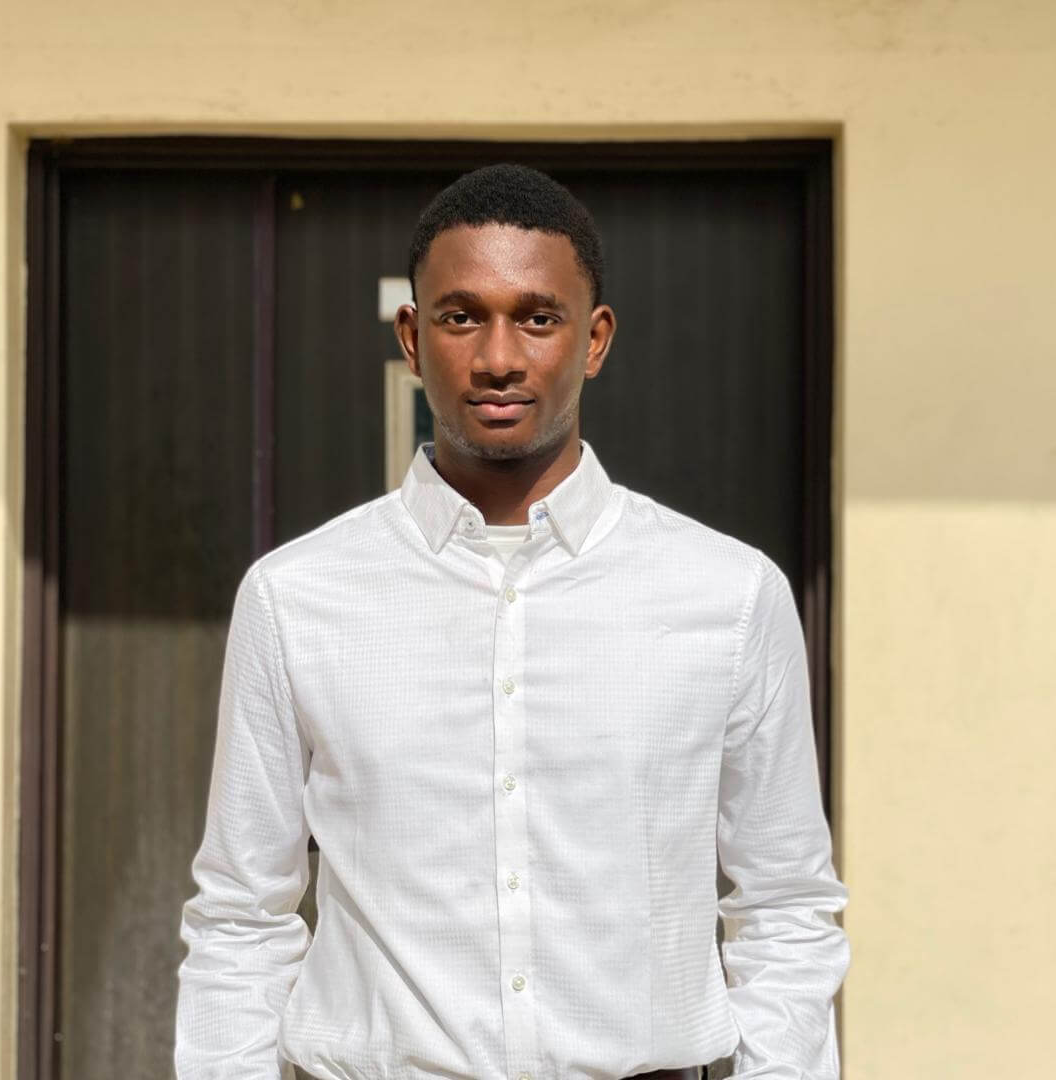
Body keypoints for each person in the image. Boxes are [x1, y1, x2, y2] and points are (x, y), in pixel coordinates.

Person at [175, 163, 849, 1080]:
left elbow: (785, 907)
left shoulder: (730, 597)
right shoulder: (296, 598)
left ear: (595, 338)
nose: (498, 356)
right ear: (412, 338)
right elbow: (240, 917)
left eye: (538, 317)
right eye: (461, 317)